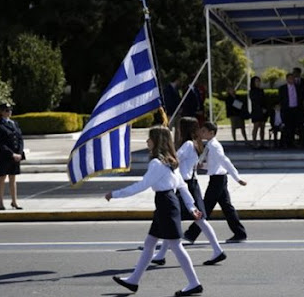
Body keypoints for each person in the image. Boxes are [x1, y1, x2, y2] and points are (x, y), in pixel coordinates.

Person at [105, 126, 204, 296]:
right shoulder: (170, 161)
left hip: (166, 204)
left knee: (176, 245)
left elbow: (141, 185)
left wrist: (115, 194)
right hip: (166, 204)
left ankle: (194, 283)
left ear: (157, 141)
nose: (146, 142)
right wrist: (191, 207)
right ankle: (134, 280)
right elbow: (182, 187)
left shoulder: (157, 163)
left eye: (149, 138)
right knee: (150, 243)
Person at [151, 117, 226, 266]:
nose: (178, 130)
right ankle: (161, 255)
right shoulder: (195, 144)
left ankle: (217, 250)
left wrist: (162, 150)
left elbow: (174, 160)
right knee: (181, 219)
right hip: (191, 184)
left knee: (176, 219)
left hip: (184, 186)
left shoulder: (187, 144)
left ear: (183, 129)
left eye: (179, 127)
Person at [183, 122, 248, 244]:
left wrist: (237, 178)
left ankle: (191, 234)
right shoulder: (210, 145)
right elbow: (213, 163)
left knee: (206, 206)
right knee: (226, 207)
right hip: (217, 178)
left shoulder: (215, 146)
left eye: (203, 131)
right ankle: (240, 233)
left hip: (218, 179)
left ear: (211, 133)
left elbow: (225, 161)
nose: (201, 133)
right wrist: (202, 165)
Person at [0, 102, 25, 210]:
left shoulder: (14, 123)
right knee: (2, 178)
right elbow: (0, 143)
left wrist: (20, 153)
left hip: (16, 156)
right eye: (6, 110)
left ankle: (14, 201)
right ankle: (0, 202)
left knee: (13, 178)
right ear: (1, 112)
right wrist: (12, 154)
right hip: (4, 156)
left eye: (10, 110)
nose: (9, 112)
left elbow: (20, 139)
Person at [279, 73, 303, 148]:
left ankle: (291, 142)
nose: (291, 80)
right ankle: (284, 143)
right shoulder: (282, 88)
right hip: (287, 109)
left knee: (293, 126)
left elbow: (300, 98)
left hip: (295, 109)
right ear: (287, 79)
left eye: (293, 78)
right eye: (290, 78)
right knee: (286, 127)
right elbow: (281, 99)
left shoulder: (298, 87)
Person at [249, 76, 267, 149]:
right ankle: (254, 142)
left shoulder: (261, 90)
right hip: (256, 110)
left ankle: (262, 142)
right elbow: (254, 101)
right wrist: (260, 108)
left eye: (259, 81)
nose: (258, 83)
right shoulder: (252, 91)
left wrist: (264, 108)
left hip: (262, 111)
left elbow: (264, 100)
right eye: (256, 81)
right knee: (256, 126)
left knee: (262, 126)